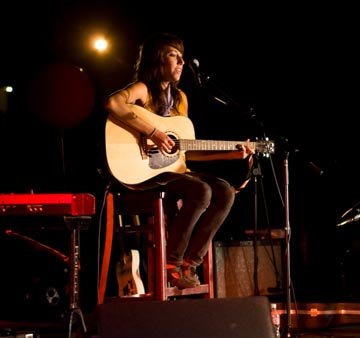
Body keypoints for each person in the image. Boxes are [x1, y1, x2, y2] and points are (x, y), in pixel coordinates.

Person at [104, 32, 254, 289]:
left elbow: (183, 152)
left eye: (182, 56)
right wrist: (153, 132)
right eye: (174, 55)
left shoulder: (180, 99)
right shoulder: (143, 89)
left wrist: (231, 153)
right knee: (201, 189)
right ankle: (171, 263)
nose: (182, 62)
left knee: (226, 192)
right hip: (143, 173)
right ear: (157, 60)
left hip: (172, 171)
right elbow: (113, 102)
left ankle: (190, 262)